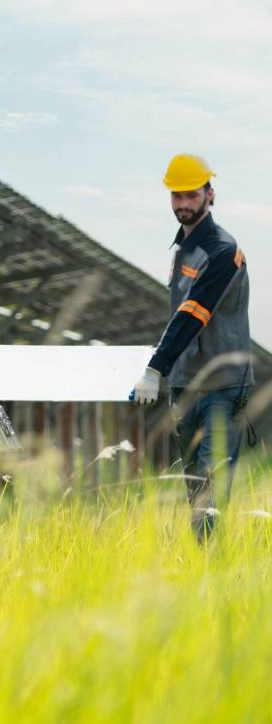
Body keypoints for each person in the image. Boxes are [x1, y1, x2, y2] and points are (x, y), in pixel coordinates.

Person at [130, 154, 253, 538]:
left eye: (191, 195)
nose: (183, 203)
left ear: (209, 194)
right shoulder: (181, 249)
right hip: (185, 383)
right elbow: (176, 319)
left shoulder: (222, 252)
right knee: (194, 484)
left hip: (221, 385)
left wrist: (155, 368)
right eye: (176, 195)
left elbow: (192, 314)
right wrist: (165, 362)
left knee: (211, 482)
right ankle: (203, 561)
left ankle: (209, 572)